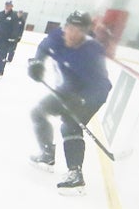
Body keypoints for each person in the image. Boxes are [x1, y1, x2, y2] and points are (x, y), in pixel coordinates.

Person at [28, 11, 111, 195]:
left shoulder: (92, 52)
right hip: (67, 89)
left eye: (78, 30)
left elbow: (101, 86)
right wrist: (37, 63)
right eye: (70, 28)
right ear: (65, 27)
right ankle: (47, 154)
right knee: (38, 113)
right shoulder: (57, 35)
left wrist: (82, 102)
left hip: (91, 94)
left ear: (86, 33)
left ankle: (75, 174)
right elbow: (43, 47)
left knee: (70, 125)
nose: (72, 33)